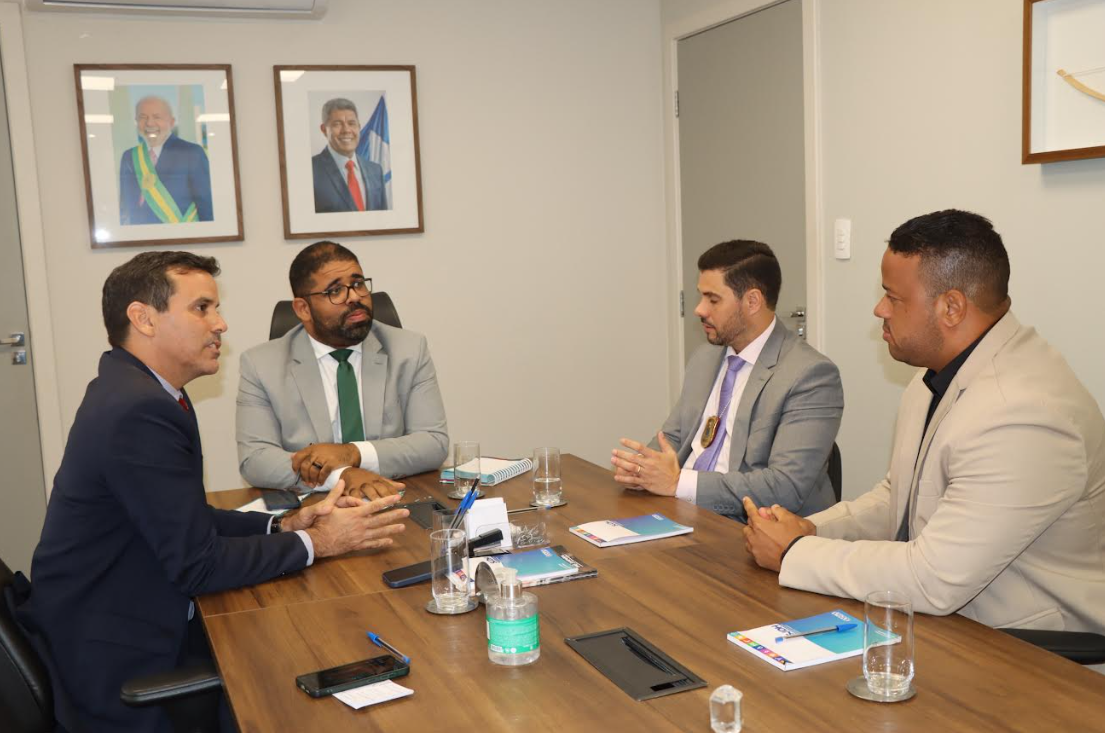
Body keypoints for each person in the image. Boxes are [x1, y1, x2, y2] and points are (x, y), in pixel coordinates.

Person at [15, 252, 408, 732]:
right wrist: (321, 542)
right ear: (143, 318)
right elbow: (197, 564)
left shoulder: (141, 389)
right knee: (294, 682)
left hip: (119, 615)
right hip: (117, 660)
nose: (220, 324)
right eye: (202, 308)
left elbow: (185, 517)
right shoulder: (137, 411)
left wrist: (285, 524)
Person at [743, 210, 1105, 638]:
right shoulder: (934, 375)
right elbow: (900, 497)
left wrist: (795, 552)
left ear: (951, 307)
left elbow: (934, 578)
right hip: (950, 622)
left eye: (892, 298)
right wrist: (813, 528)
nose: (879, 309)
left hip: (1030, 651)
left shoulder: (1024, 414)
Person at [612, 239, 844, 520]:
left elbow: (785, 487)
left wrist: (679, 483)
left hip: (752, 526)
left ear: (752, 301)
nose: (699, 309)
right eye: (701, 297)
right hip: (685, 511)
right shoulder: (705, 357)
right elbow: (673, 436)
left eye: (713, 300)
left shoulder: (811, 375)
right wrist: (642, 468)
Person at [237, 241, 448, 497]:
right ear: (303, 309)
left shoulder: (409, 349)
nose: (355, 297)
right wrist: (343, 475)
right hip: (314, 506)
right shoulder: (261, 365)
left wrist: (352, 453)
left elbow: (433, 443)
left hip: (393, 496)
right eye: (335, 291)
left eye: (358, 283)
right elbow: (256, 460)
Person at [119, 96, 213, 225]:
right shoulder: (129, 156)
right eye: (143, 117)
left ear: (172, 122)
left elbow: (207, 207)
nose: (149, 123)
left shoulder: (192, 153)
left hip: (180, 235)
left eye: (157, 117)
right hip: (139, 234)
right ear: (136, 122)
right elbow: (125, 206)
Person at [311, 98, 387, 213]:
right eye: (337, 124)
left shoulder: (376, 170)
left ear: (359, 127)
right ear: (324, 130)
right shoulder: (310, 171)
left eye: (352, 123)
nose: (346, 130)